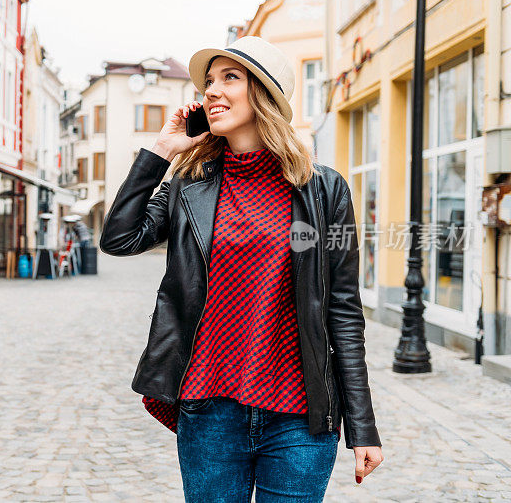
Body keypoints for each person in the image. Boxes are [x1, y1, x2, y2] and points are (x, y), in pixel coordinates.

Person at [99, 36, 383, 502]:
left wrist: (363, 426)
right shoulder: (191, 186)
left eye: (229, 77)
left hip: (299, 419)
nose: (211, 90)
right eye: (209, 81)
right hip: (209, 413)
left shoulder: (326, 190)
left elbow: (344, 313)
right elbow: (119, 238)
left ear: (266, 94)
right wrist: (163, 151)